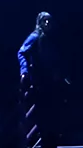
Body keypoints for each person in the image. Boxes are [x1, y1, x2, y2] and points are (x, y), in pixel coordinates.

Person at [19, 12, 65, 148]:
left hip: (51, 83)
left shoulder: (51, 40)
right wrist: (24, 71)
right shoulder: (35, 37)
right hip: (41, 83)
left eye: (49, 21)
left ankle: (51, 140)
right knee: (43, 115)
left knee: (54, 115)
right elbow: (22, 52)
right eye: (44, 21)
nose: (47, 23)